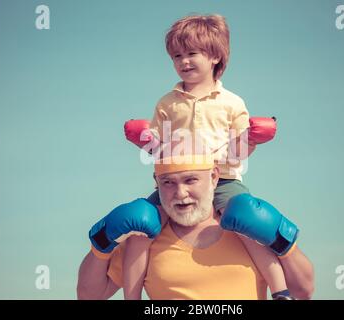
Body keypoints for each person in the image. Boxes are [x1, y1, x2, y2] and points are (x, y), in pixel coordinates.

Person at [121, 14, 288, 300]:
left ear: (214, 56)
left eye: (191, 54)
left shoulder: (232, 103)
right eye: (176, 56)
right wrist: (145, 140)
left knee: (248, 224)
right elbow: (158, 150)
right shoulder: (167, 102)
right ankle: (131, 297)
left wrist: (251, 140)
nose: (183, 61)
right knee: (141, 228)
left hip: (222, 179)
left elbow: (239, 151)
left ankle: (281, 290)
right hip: (177, 180)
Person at [77, 154, 314, 299]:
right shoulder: (143, 239)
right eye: (168, 183)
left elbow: (303, 291)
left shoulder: (248, 230)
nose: (180, 194)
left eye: (191, 180)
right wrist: (101, 243)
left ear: (213, 177)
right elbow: (88, 296)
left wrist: (284, 243)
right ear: (156, 183)